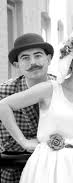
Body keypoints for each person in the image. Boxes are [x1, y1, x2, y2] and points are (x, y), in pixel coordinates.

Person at [0, 31, 73, 183]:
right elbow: (3, 105)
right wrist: (24, 142)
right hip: (43, 164)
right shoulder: (51, 88)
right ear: (71, 62)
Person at [0, 33, 56, 183]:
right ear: (16, 65)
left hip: (54, 170)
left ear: (49, 59)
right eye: (25, 58)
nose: (33, 62)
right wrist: (25, 142)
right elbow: (6, 143)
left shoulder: (62, 88)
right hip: (13, 173)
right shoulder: (4, 92)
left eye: (38, 55)